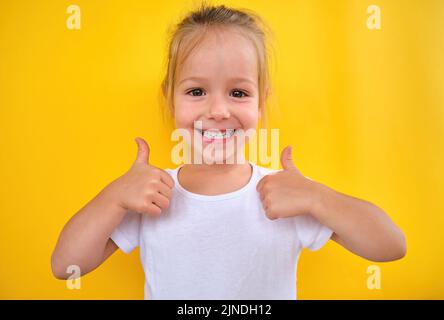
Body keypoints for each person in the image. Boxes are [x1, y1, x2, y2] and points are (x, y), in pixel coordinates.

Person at [51, 4, 406, 299]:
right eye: (196, 91)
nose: (218, 111)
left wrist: (318, 198)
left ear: (260, 101)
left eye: (238, 93)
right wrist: (113, 197)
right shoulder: (150, 195)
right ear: (169, 98)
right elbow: (66, 266)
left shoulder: (289, 194)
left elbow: (391, 246)